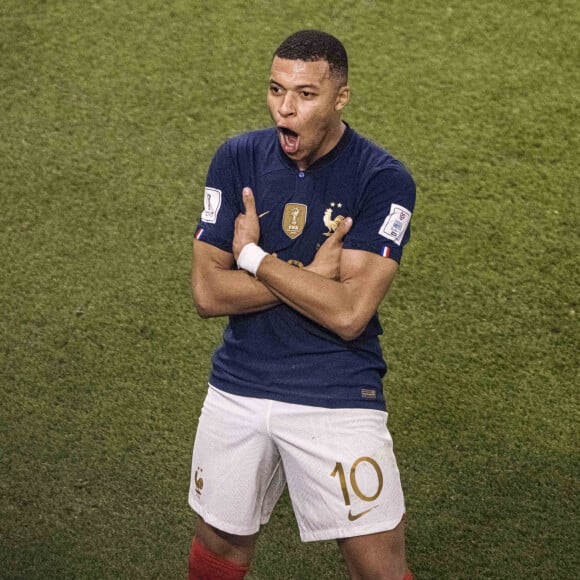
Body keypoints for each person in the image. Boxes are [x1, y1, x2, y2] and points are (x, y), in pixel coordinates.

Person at [188, 29, 416, 580]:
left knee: (377, 565)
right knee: (218, 545)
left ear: (340, 97)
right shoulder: (237, 157)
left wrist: (250, 257)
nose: (285, 109)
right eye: (275, 89)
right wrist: (308, 275)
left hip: (335, 392)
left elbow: (348, 312)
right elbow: (207, 294)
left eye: (306, 95)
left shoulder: (382, 179)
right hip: (238, 386)